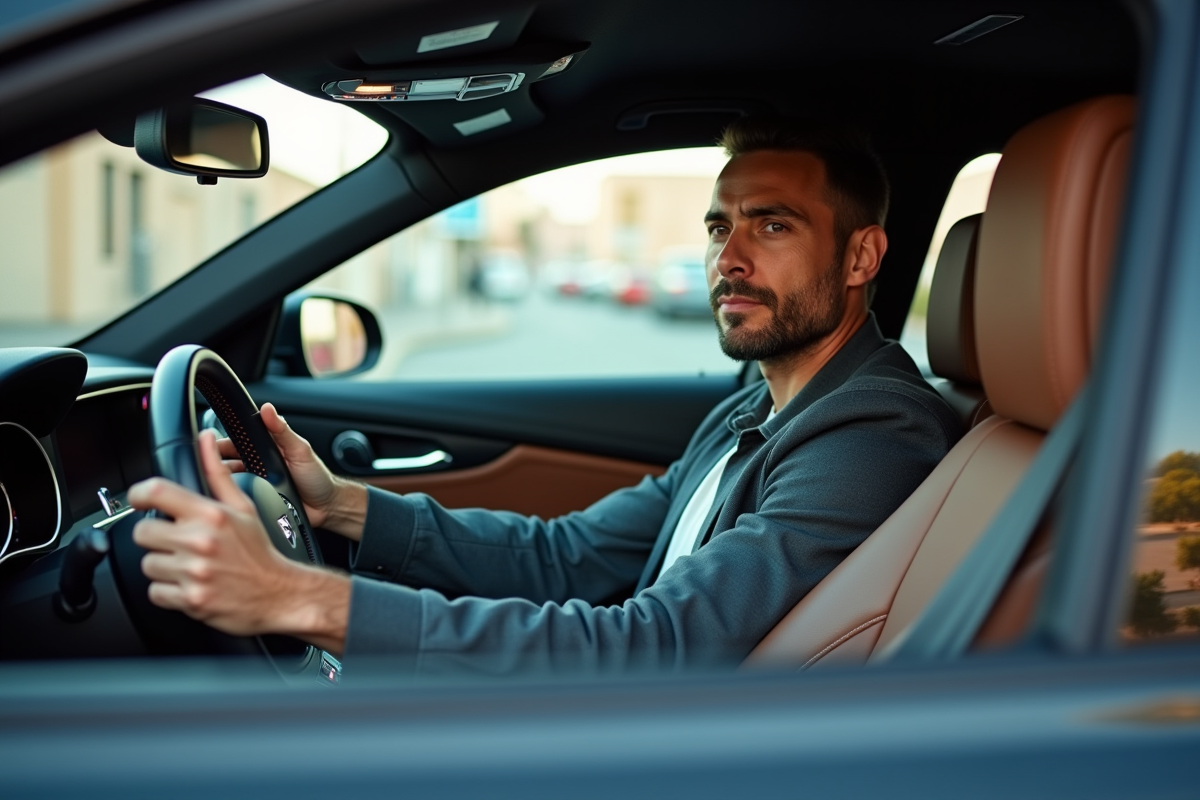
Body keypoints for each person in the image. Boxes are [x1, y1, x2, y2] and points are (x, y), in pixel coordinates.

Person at [128, 117, 962, 674]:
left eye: (771, 225)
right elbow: (566, 556)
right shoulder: (755, 410)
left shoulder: (872, 431)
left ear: (861, 259)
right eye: (718, 226)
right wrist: (343, 506)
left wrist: (296, 597)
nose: (729, 259)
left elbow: (660, 644)